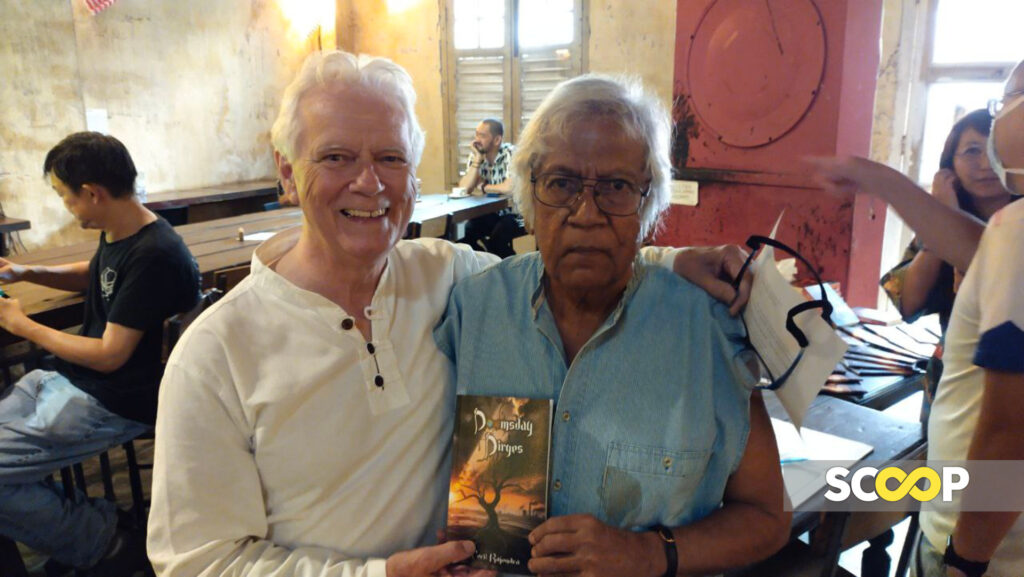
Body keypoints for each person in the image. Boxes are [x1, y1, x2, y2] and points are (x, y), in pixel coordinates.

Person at [147, 50, 755, 577]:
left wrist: (670, 262)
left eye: (390, 157)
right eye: (335, 158)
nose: (368, 183)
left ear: (414, 174)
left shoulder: (451, 280)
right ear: (287, 171)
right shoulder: (214, 356)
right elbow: (199, 562)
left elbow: (574, 256)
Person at [435, 75, 791, 576]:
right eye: (561, 184)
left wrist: (650, 553)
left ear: (647, 207)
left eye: (617, 188)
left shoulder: (708, 333)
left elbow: (768, 516)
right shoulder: (473, 311)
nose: (586, 213)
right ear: (530, 197)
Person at [812, 61, 1024, 577]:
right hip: (983, 519)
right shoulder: (1008, 231)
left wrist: (965, 560)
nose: (1002, 118)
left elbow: (1010, 430)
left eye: (1013, 98)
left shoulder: (1018, 232)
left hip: (985, 542)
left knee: (825, 486)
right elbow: (974, 249)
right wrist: (878, 178)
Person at [0, 132, 200, 573]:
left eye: (64, 197)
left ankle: (105, 541)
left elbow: (110, 355)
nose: (65, 207)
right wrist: (28, 270)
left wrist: (21, 325)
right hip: (69, 382)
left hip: (109, 400)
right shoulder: (125, 231)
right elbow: (100, 273)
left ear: (92, 193)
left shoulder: (156, 253)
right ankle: (80, 530)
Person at [879, 109, 1013, 412]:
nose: (985, 163)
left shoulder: (1017, 222)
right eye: (972, 151)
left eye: (995, 150)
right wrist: (945, 216)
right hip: (951, 381)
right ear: (949, 167)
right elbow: (909, 302)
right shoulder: (935, 225)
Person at [456, 119, 525, 258]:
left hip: (517, 214)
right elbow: (464, 188)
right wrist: (477, 160)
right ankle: (486, 265)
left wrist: (484, 187)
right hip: (493, 213)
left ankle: (515, 272)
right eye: (476, 135)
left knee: (496, 242)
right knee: (463, 239)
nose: (477, 140)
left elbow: (510, 187)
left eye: (482, 136)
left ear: (497, 139)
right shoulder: (477, 154)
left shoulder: (511, 153)